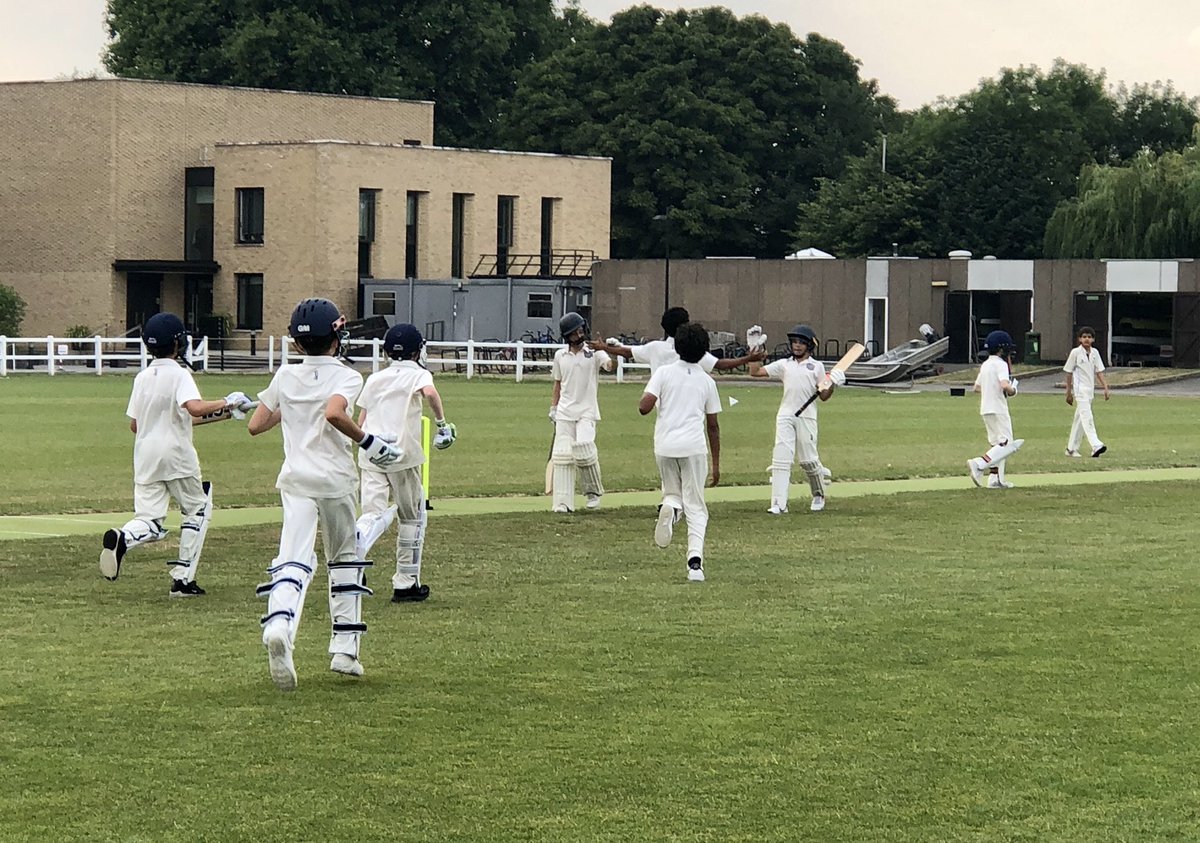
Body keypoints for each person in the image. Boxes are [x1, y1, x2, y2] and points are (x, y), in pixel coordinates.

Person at [248, 298, 401, 691]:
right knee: (344, 558)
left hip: (295, 480)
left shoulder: (285, 375)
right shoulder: (348, 376)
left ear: (298, 343)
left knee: (293, 556)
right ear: (336, 334)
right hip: (333, 480)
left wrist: (295, 406)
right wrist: (369, 441)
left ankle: (280, 623)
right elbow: (334, 413)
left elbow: (256, 424)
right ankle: (345, 651)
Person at [98, 312, 252, 597]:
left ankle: (124, 537)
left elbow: (137, 424)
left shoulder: (143, 378)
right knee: (197, 509)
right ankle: (183, 580)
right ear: (178, 343)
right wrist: (227, 400)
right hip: (178, 455)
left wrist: (227, 413)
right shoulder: (180, 374)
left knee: (150, 521)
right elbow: (193, 407)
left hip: (145, 456)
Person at [353, 323, 456, 603]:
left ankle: (354, 559)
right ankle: (406, 583)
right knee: (412, 516)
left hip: (371, 452)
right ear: (416, 350)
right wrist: (442, 424)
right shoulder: (419, 374)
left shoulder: (375, 378)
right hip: (402, 454)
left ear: (387, 351)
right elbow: (431, 394)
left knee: (372, 514)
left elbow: (360, 421)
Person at [639, 322, 721, 583]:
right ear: (703, 350)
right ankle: (694, 564)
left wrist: (659, 401)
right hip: (693, 447)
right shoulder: (707, 381)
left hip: (664, 446)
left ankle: (671, 510)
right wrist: (716, 464)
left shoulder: (663, 373)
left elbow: (643, 407)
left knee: (672, 493)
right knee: (697, 506)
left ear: (676, 346)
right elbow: (713, 426)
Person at [748, 324, 844, 514]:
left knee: (808, 461)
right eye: (794, 342)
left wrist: (832, 383)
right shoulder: (785, 364)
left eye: (801, 342)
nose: (797, 346)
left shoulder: (816, 366)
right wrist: (753, 350)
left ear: (809, 345)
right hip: (785, 414)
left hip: (807, 416)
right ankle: (778, 504)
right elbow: (755, 372)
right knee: (781, 459)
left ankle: (818, 494)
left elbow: (823, 396)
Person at [549, 311, 614, 512]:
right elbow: (558, 383)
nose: (579, 333)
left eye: (580, 329)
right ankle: (562, 502)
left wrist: (611, 350)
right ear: (568, 335)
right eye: (575, 332)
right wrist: (553, 408)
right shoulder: (560, 355)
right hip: (565, 412)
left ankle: (593, 493)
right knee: (562, 456)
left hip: (587, 411)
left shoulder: (594, 352)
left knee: (585, 450)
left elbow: (610, 366)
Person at [591, 306, 765, 374]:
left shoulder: (655, 348)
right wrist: (748, 359)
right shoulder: (692, 351)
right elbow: (720, 364)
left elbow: (625, 351)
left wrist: (604, 347)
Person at [967, 330, 1025, 489]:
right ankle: (979, 463)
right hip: (998, 407)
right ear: (1002, 348)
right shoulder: (1001, 364)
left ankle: (995, 479)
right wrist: (1013, 390)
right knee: (1007, 444)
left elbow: (976, 387)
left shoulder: (985, 364)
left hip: (985, 408)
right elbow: (1005, 385)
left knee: (998, 445)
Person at [1063, 325, 1110, 458]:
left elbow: (1099, 372)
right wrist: (1068, 392)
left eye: (1089, 337)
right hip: (1080, 391)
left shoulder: (1095, 353)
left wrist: (1105, 388)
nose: (1086, 339)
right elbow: (1068, 372)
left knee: (1079, 420)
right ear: (1079, 339)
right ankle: (1096, 445)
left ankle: (1071, 449)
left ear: (1093, 339)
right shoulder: (1075, 353)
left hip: (1090, 391)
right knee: (1087, 418)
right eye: (1084, 337)